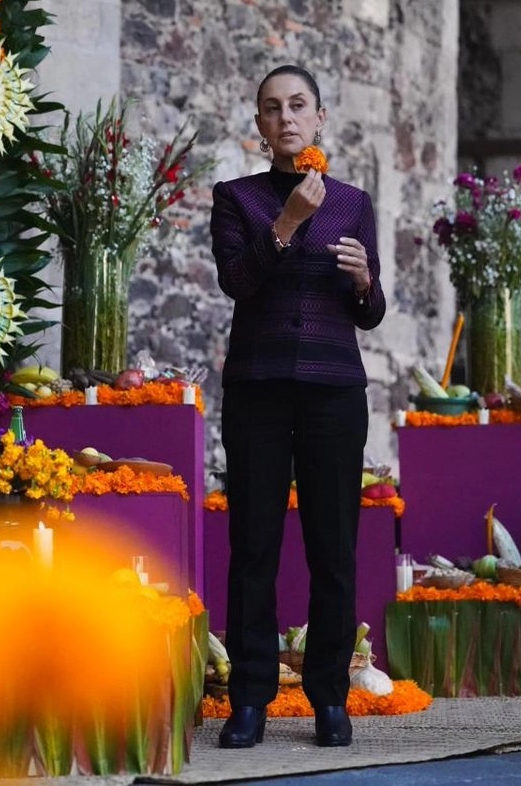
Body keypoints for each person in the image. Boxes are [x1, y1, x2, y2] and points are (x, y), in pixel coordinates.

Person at [209, 64, 386, 749]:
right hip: (256, 388)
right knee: (253, 544)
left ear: (319, 117)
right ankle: (250, 699)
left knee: (332, 548)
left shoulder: (353, 203)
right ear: (260, 124)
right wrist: (287, 222)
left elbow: (369, 311)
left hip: (334, 391)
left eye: (298, 105)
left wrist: (365, 282)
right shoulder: (236, 198)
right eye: (272, 108)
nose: (286, 117)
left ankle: (330, 698)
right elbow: (237, 281)